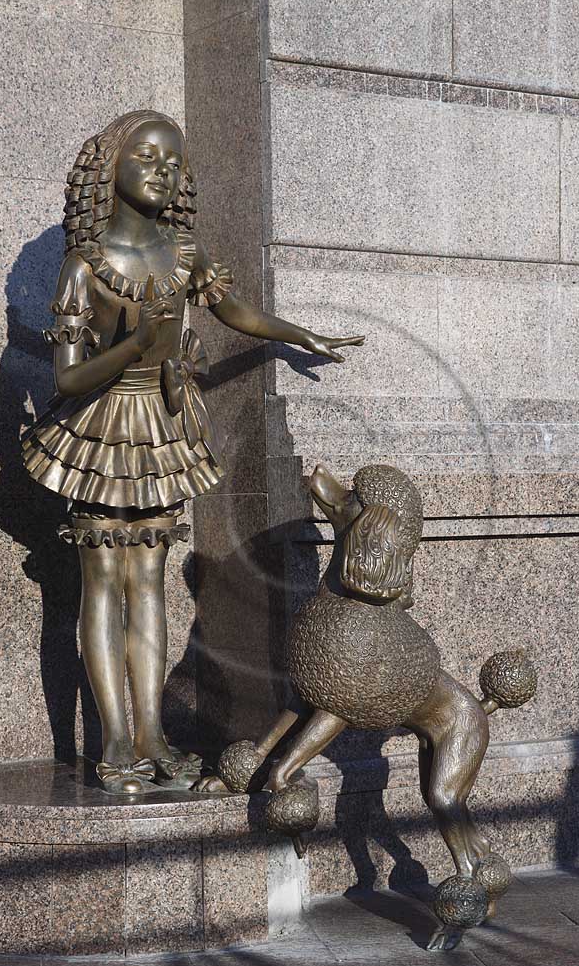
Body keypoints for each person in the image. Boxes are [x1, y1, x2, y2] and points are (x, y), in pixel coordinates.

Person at [22, 109, 364, 794]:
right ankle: (112, 741)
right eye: (147, 157)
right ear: (109, 169)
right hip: (100, 430)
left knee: (148, 583)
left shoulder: (182, 253)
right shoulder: (84, 267)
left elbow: (232, 311)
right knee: (102, 583)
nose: (162, 171)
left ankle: (151, 733)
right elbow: (64, 378)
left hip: (161, 426)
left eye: (173, 162)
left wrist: (297, 334)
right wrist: (134, 347)